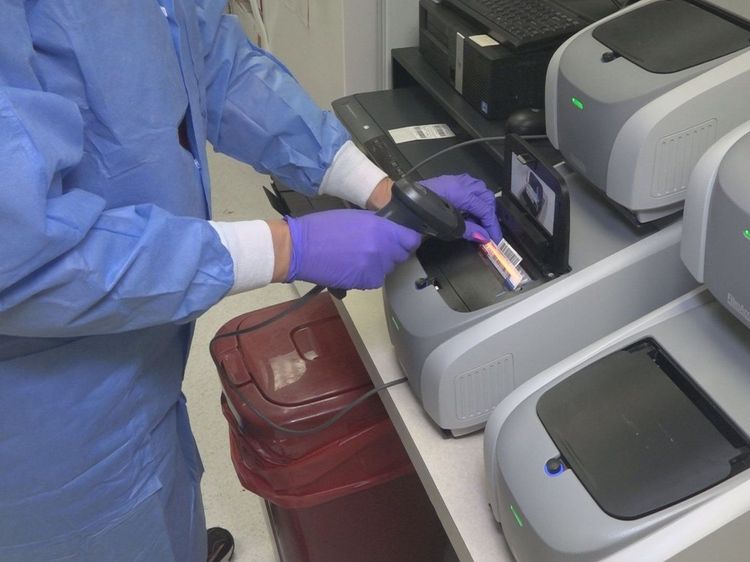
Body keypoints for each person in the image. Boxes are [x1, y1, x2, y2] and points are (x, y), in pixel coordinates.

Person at [0, 1, 501, 560]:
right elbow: (19, 256)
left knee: (164, 501)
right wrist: (285, 248)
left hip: (136, 352)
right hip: (46, 426)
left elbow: (214, 63)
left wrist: (377, 187)